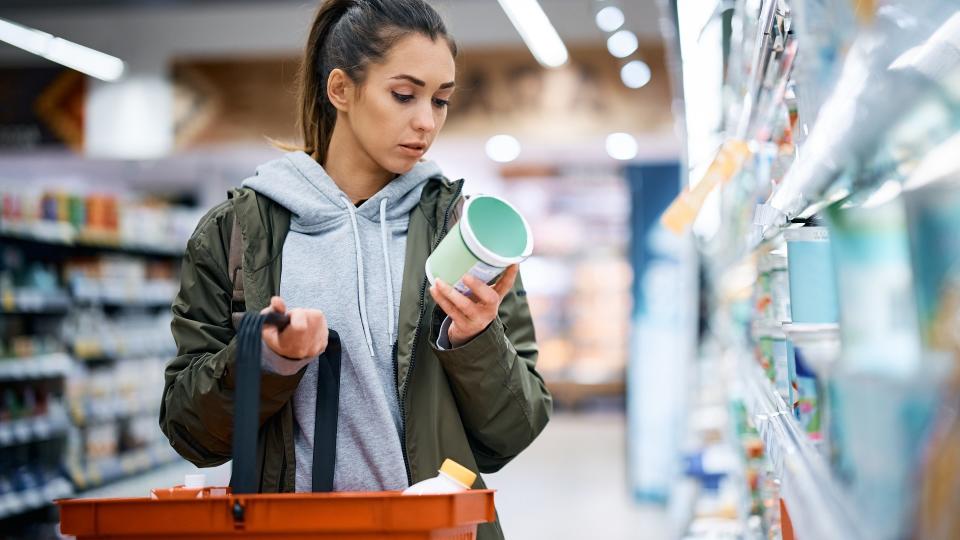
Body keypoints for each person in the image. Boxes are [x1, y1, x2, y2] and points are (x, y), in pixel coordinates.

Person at [159, 1, 552, 538]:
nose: (425, 122)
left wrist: (476, 340)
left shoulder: (462, 234)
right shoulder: (236, 234)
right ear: (341, 89)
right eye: (404, 95)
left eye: (440, 101)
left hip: (435, 531)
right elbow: (189, 430)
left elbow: (514, 431)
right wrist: (269, 360)